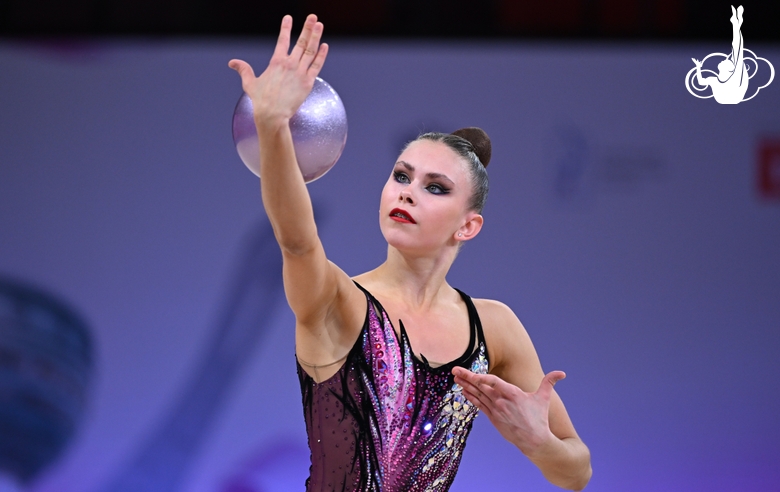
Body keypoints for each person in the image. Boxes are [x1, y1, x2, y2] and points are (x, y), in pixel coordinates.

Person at [229, 14, 591, 491]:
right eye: (401, 176)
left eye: (434, 187)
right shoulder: (341, 302)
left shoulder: (493, 326)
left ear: (469, 225)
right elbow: (297, 240)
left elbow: (577, 472)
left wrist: (537, 444)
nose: (407, 193)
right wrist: (274, 127)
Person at [692, 5, 747, 104]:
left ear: (729, 69)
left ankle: (736, 24)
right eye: (727, 60)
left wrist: (736, 26)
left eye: (727, 61)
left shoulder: (734, 77)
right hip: (726, 98)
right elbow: (701, 82)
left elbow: (737, 49)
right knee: (736, 51)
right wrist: (698, 67)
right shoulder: (714, 80)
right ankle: (736, 24)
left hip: (734, 97)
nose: (725, 59)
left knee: (737, 50)